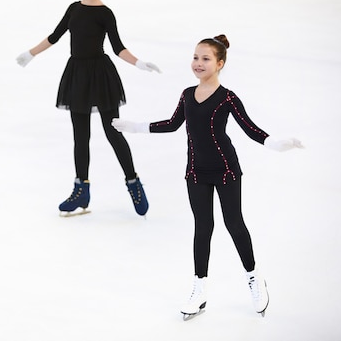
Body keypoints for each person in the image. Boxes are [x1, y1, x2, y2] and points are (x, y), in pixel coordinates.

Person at [112, 34, 303, 318]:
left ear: (220, 63)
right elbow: (172, 124)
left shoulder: (228, 97)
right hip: (196, 171)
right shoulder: (188, 94)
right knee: (203, 228)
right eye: (195, 57)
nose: (198, 63)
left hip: (226, 169)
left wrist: (276, 143)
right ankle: (199, 288)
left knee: (234, 224)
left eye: (206, 58)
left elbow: (250, 129)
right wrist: (134, 126)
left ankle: (254, 277)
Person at [16, 0, 160, 217]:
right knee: (80, 136)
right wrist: (31, 53)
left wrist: (139, 63)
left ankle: (133, 182)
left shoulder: (105, 13)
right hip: (77, 75)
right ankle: (81, 188)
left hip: (100, 75)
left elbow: (117, 47)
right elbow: (55, 36)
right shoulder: (73, 9)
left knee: (112, 131)